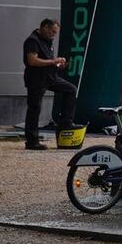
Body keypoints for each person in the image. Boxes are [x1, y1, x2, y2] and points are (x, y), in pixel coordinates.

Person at [22, 18, 76, 150]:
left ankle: (66, 122)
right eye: (52, 31)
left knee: (71, 90)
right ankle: (32, 140)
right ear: (44, 27)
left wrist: (58, 63)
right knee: (35, 108)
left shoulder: (48, 41)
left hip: (50, 77)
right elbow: (32, 61)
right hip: (36, 79)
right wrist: (53, 62)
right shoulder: (33, 40)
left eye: (55, 32)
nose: (53, 35)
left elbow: (47, 59)